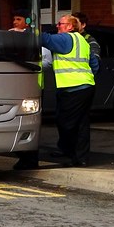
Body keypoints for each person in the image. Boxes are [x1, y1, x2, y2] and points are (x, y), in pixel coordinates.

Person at [22, 14, 98, 169]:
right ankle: (81, 158)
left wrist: (29, 31)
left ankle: (71, 154)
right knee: (81, 124)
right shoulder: (82, 41)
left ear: (70, 26)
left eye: (60, 23)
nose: (57, 26)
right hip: (85, 86)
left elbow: (45, 39)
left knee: (66, 123)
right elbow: (95, 64)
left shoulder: (66, 39)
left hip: (73, 89)